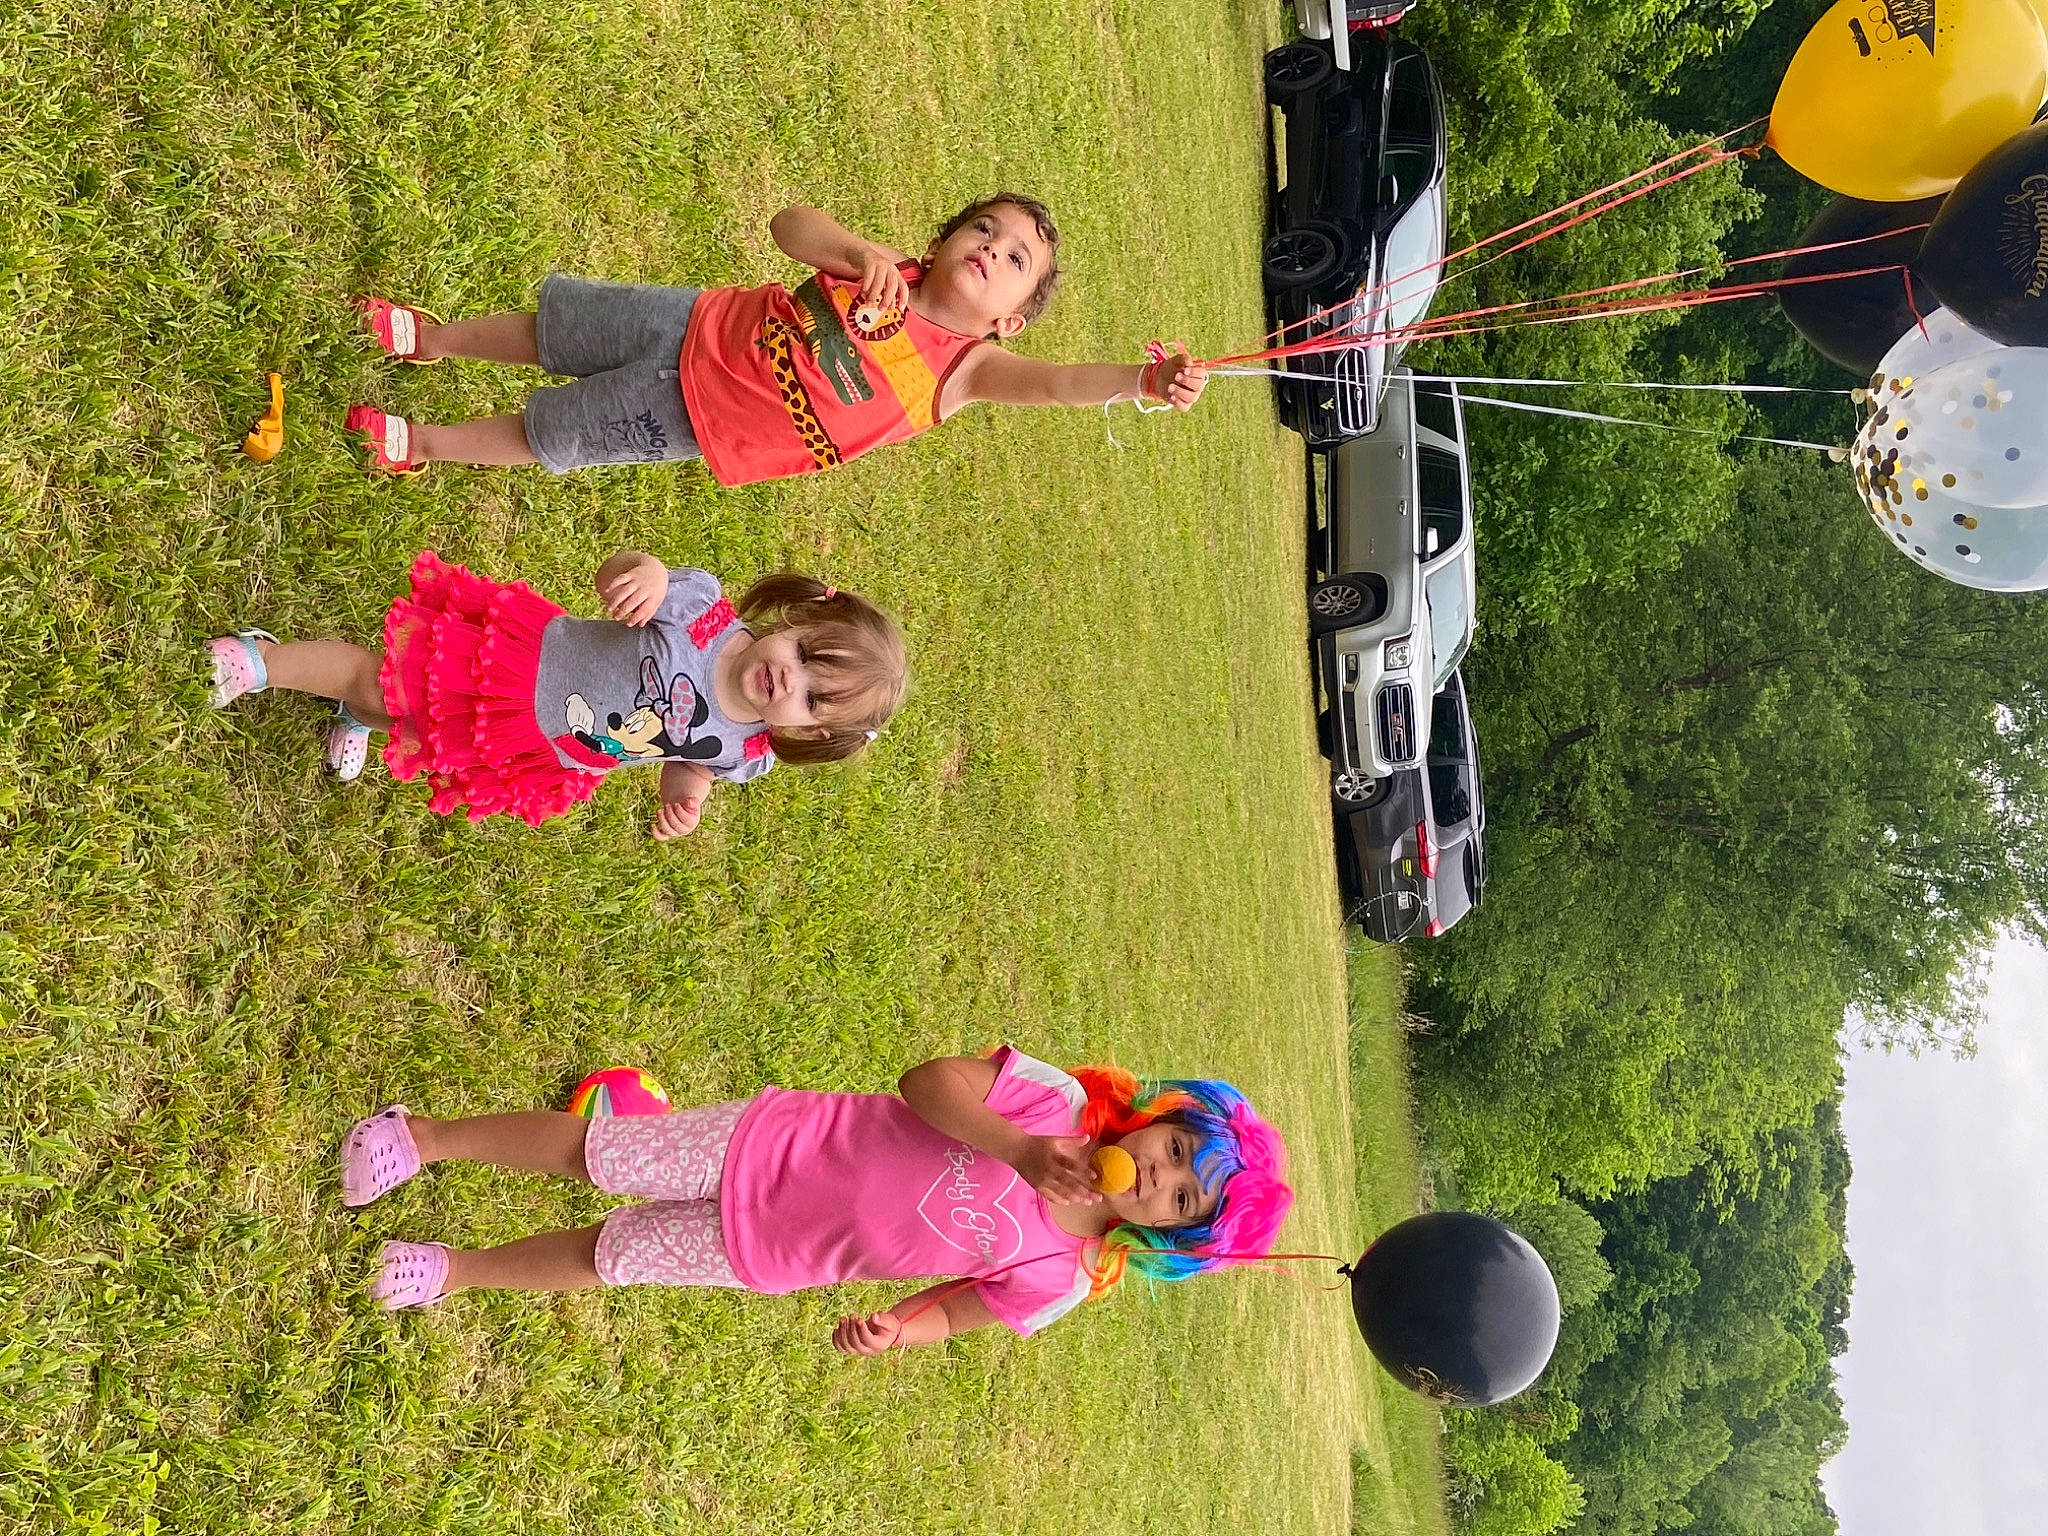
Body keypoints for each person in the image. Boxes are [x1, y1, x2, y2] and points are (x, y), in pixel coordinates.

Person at [338, 1047, 1294, 1348]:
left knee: (611, 1256)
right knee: (603, 1154)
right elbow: (926, 1081)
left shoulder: (1065, 1280)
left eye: (1180, 1202)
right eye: (1175, 1150)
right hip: (772, 1143)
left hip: (784, 1254)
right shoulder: (1052, 1103)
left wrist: (898, 1332)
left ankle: (455, 1273)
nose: (1161, 1179)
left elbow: (966, 1310)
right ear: (1156, 1118)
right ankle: (422, 1139)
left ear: (1173, 1237)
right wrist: (1016, 1147)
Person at [342, 194, 1209, 484]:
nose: (991, 249)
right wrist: (855, 252)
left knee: (556, 431)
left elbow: (1057, 386)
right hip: (691, 320)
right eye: (983, 230)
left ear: (1008, 319)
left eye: (1014, 258)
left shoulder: (967, 371)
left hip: (701, 416)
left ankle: (422, 444)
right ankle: (436, 339)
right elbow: (787, 225)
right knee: (557, 332)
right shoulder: (886, 273)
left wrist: (1142, 378)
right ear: (941, 240)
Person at [205, 551, 904, 832]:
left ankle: (351, 718)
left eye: (813, 698)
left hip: (541, 743)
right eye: (806, 654)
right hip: (517, 666)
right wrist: (646, 575)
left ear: (809, 733)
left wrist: (684, 799)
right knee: (378, 676)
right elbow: (613, 577)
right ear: (798, 619)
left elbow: (686, 759)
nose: (791, 678)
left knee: (403, 715)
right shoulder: (704, 613)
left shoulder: (747, 751)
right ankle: (262, 660)